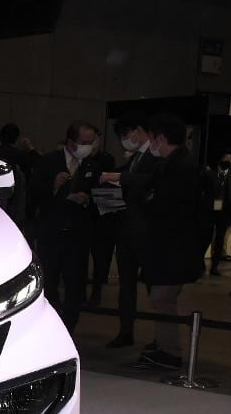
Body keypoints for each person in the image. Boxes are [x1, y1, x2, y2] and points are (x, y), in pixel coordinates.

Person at [111, 113, 204, 369]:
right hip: (168, 246)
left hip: (173, 247)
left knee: (162, 299)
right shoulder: (174, 163)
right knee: (162, 300)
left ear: (161, 139)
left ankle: (170, 352)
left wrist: (147, 200)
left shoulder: (180, 166)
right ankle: (165, 347)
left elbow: (164, 204)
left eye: (153, 139)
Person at [98, 112, 161, 348]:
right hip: (125, 231)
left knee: (155, 288)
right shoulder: (133, 159)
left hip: (147, 233)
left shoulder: (154, 156)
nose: (125, 140)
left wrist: (121, 177)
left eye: (127, 134)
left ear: (139, 130)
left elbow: (149, 181)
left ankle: (161, 338)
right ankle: (126, 331)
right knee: (126, 286)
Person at [32, 121, 100, 331]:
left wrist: (87, 199)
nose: (88, 146)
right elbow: (34, 193)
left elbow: (101, 198)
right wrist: (53, 186)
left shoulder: (93, 165)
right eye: (84, 142)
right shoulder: (49, 160)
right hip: (51, 232)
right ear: (71, 142)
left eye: (91, 142)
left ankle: (69, 326)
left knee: (75, 283)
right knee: (49, 281)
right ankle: (51, 323)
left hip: (78, 234)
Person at [85, 124, 118, 305]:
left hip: (101, 212)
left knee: (100, 256)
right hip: (84, 212)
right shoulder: (81, 160)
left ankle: (96, 291)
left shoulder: (106, 159)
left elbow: (109, 191)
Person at [207, 151, 231, 276]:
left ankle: (215, 266)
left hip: (224, 212)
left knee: (220, 239)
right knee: (206, 236)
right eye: (226, 158)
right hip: (210, 210)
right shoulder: (210, 174)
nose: (229, 161)